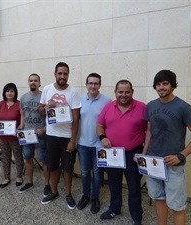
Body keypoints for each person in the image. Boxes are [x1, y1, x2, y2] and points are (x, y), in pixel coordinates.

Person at [141, 70, 191, 225]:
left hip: (173, 164)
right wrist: (144, 154)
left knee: (177, 206)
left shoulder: (183, 107)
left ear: (173, 86)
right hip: (153, 162)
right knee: (158, 198)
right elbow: (149, 131)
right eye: (158, 84)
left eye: (165, 83)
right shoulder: (150, 106)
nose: (161, 87)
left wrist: (180, 156)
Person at [97, 80, 146, 225]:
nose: (123, 95)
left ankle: (136, 215)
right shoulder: (108, 107)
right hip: (113, 154)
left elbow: (149, 131)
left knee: (134, 186)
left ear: (132, 92)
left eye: (127, 92)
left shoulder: (142, 107)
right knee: (114, 184)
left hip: (134, 154)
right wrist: (103, 137)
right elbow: (100, 126)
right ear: (115, 92)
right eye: (120, 92)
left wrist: (144, 152)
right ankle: (115, 208)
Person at [39, 62, 81, 209]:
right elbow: (40, 110)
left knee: (68, 168)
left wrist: (72, 140)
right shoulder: (47, 89)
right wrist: (46, 107)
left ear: (68, 75)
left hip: (66, 137)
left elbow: (76, 118)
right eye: (60, 73)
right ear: (55, 74)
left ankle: (68, 194)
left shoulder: (73, 92)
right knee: (53, 166)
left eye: (65, 73)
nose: (62, 76)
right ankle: (54, 191)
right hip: (51, 135)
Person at [76, 73, 111, 214]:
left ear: (100, 85)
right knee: (85, 172)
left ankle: (95, 198)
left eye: (96, 83)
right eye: (90, 83)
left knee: (97, 173)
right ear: (86, 84)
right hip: (82, 143)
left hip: (99, 144)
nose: (93, 86)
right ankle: (86, 195)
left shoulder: (107, 101)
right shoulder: (79, 101)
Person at [19, 73, 50, 195]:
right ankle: (29, 182)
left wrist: (44, 129)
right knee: (28, 158)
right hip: (27, 135)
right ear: (28, 82)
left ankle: (47, 184)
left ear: (39, 83)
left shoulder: (44, 96)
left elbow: (50, 117)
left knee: (44, 160)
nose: (33, 82)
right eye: (31, 80)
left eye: (35, 80)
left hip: (41, 134)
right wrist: (20, 128)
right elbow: (23, 115)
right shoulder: (23, 97)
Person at [0, 83, 24, 188]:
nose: (9, 93)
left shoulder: (19, 104)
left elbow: (22, 121)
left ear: (15, 93)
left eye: (12, 91)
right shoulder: (1, 104)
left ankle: (19, 176)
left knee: (18, 156)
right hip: (3, 137)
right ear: (4, 93)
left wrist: (19, 128)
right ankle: (6, 178)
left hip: (15, 137)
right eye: (7, 91)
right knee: (5, 157)